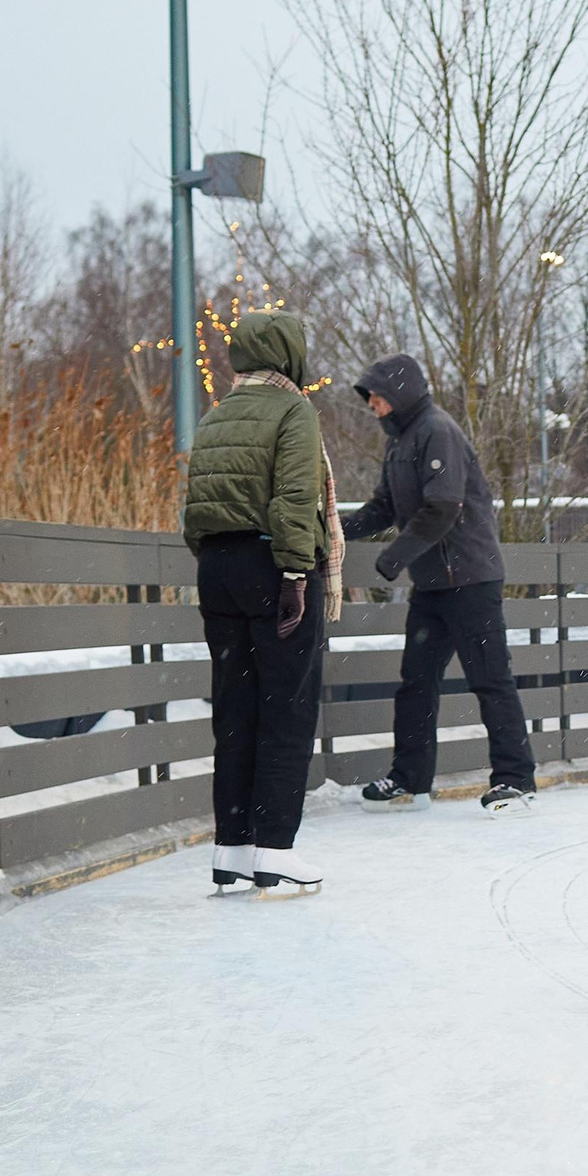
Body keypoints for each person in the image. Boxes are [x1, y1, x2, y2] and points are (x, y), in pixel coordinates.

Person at [180, 312, 338, 895]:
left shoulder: (218, 413)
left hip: (217, 570)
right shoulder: (293, 410)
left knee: (236, 712)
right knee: (287, 710)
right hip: (273, 566)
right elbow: (295, 495)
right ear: (290, 354)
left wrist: (214, 558)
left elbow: (196, 504)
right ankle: (274, 849)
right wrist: (296, 574)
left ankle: (232, 850)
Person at [343, 353, 539, 815]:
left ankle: (515, 780)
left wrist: (394, 557)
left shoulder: (438, 430)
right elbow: (383, 507)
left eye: (375, 396)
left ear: (398, 393)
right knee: (416, 682)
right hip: (433, 584)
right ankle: (410, 781)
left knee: (490, 680)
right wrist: (333, 529)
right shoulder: (399, 443)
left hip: (470, 580)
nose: (371, 405)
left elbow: (443, 507)